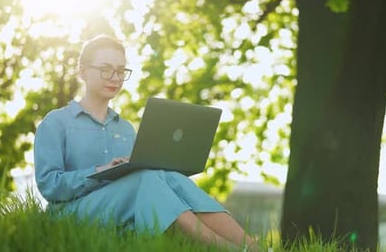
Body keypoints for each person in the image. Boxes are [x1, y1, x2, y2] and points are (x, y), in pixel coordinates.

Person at [33, 35, 259, 251]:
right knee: (145, 177)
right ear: (82, 71)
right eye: (105, 69)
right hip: (70, 215)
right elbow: (50, 185)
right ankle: (224, 248)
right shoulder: (56, 122)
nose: (115, 77)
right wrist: (101, 171)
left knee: (170, 176)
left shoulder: (125, 129)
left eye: (121, 71)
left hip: (120, 213)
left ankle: (255, 247)